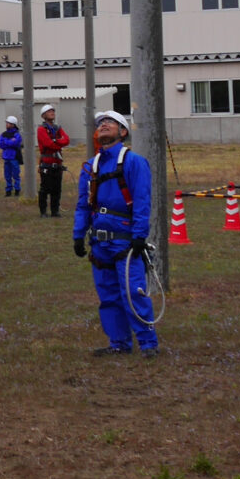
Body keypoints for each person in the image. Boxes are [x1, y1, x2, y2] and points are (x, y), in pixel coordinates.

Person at [72, 111, 157, 354]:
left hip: (126, 242)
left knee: (133, 292)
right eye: (100, 124)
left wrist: (140, 235)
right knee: (108, 295)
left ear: (123, 132)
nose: (104, 125)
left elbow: (142, 201)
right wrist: (78, 235)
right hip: (100, 243)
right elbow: (83, 204)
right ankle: (119, 343)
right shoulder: (91, 167)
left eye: (110, 122)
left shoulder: (134, 163)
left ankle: (148, 343)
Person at [35, 105, 71, 217]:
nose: (52, 113)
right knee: (45, 189)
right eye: (49, 111)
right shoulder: (41, 129)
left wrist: (55, 141)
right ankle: (43, 212)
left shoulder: (57, 128)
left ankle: (55, 211)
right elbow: (48, 144)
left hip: (58, 163)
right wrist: (58, 142)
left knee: (57, 189)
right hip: (47, 163)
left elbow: (67, 140)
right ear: (44, 115)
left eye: (53, 111)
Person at [0, 116, 24, 198]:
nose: (6, 124)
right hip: (6, 158)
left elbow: (15, 143)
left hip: (14, 158)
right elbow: (0, 144)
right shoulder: (4, 134)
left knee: (16, 175)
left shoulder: (17, 134)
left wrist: (6, 142)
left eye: (8, 123)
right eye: (7, 123)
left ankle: (17, 190)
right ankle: (8, 190)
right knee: (7, 175)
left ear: (13, 124)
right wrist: (9, 142)